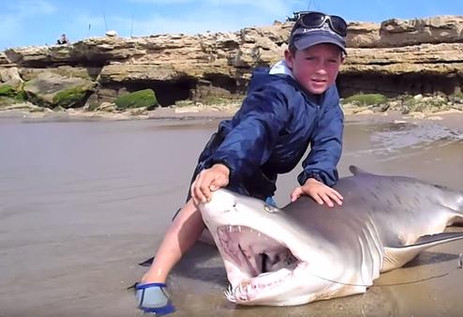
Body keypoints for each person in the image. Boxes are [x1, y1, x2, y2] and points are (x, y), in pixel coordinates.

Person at [134, 11, 349, 315]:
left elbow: (329, 139)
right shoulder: (276, 92)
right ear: (290, 57)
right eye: (311, 58)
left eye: (331, 61)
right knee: (204, 203)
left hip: (263, 175)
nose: (322, 70)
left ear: (341, 62)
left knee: (259, 234)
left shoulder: (329, 97)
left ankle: (209, 231)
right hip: (230, 157)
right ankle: (152, 279)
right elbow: (255, 127)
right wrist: (224, 166)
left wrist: (315, 176)